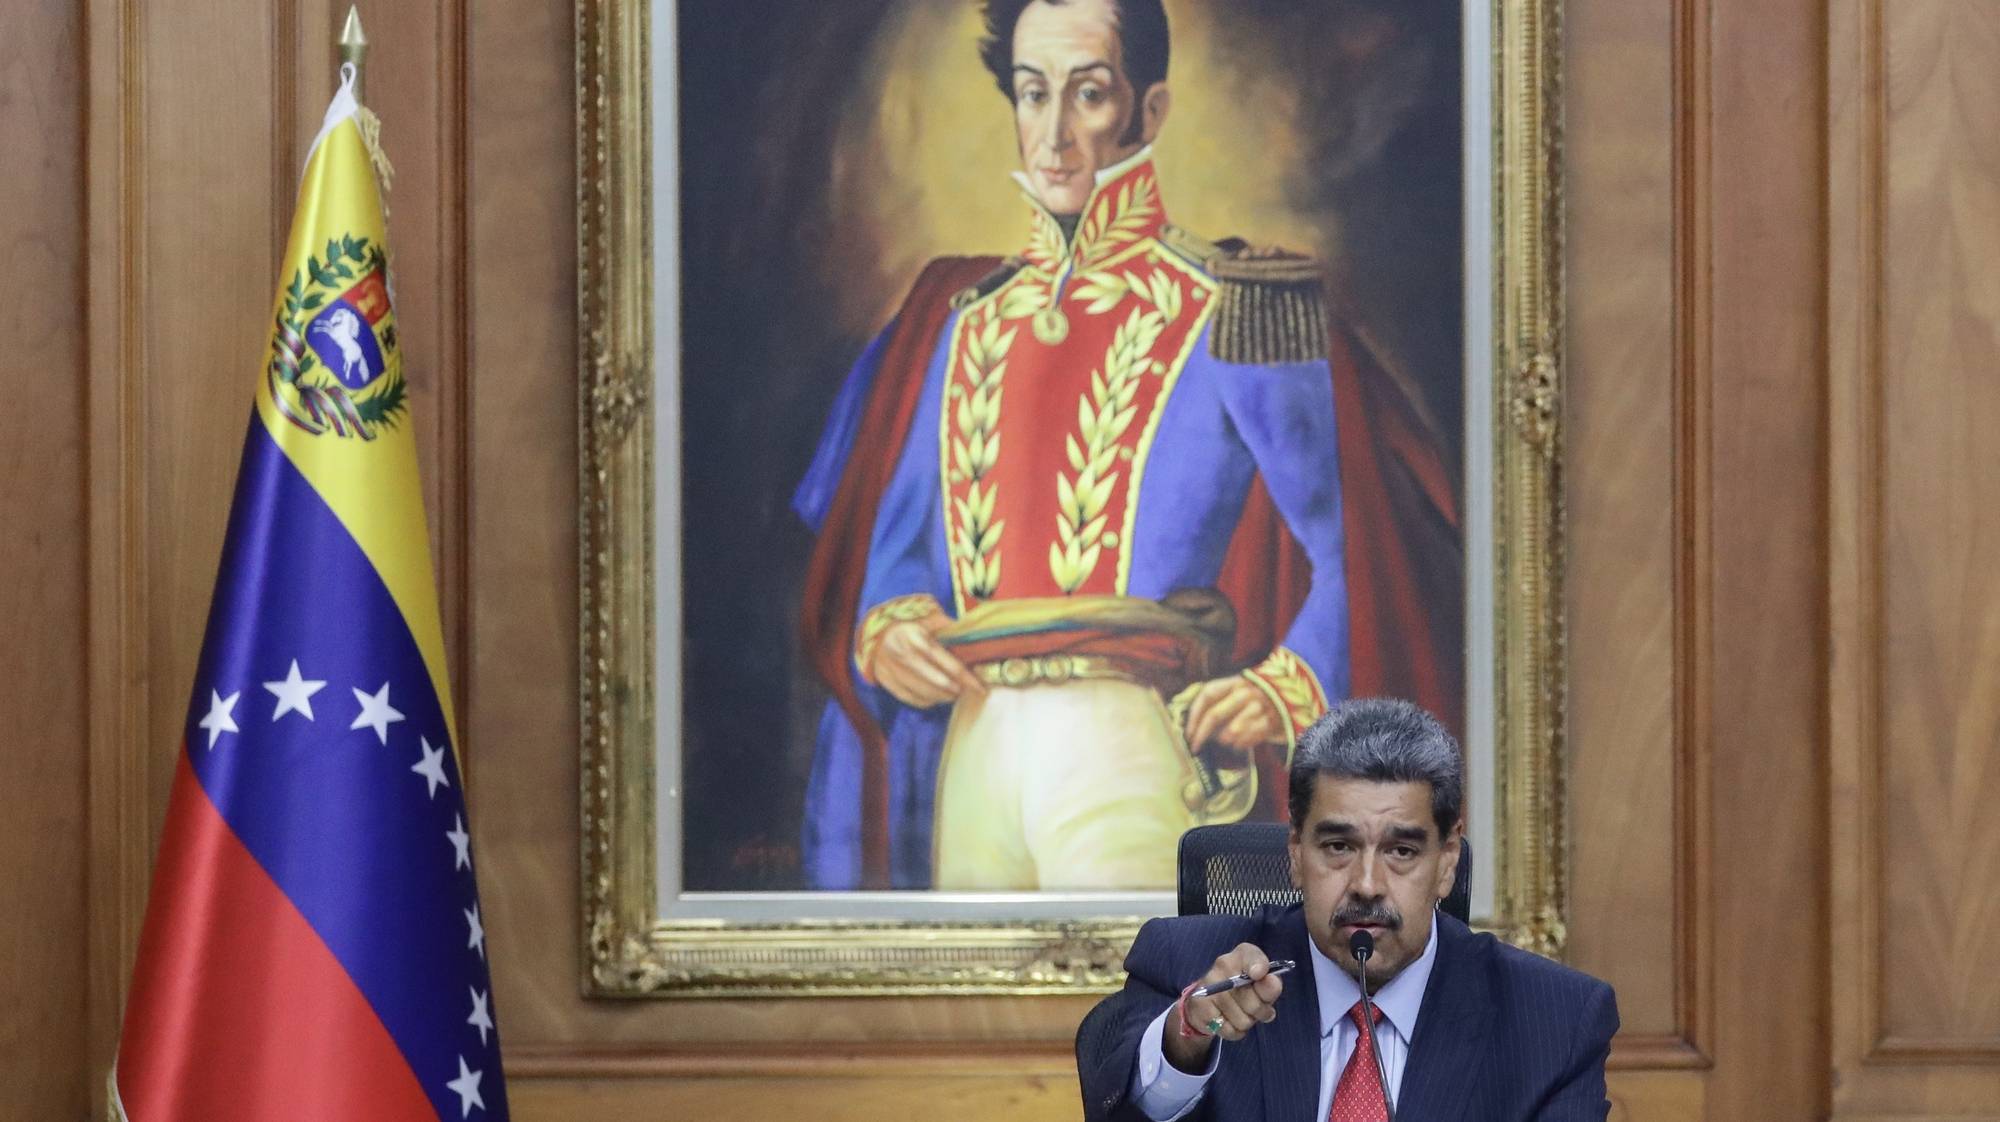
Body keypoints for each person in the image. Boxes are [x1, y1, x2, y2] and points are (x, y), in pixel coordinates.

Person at [793, 0, 1462, 892]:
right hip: (973, 742)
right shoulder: (959, 321)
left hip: (1129, 747)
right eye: (1033, 94)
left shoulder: (1239, 304)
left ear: (1148, 112)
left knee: (1140, 1018)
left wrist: (1282, 686)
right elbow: (901, 553)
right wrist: (891, 625)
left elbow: (1353, 552)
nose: (1055, 133)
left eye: (1090, 94)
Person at [1074, 699, 1618, 1121]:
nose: (1366, 885)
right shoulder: (1189, 964)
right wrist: (1190, 1031)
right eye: (1338, 847)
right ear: (1295, 855)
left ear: (1446, 861)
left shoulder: (1553, 1020)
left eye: (1401, 851)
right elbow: (1113, 1098)